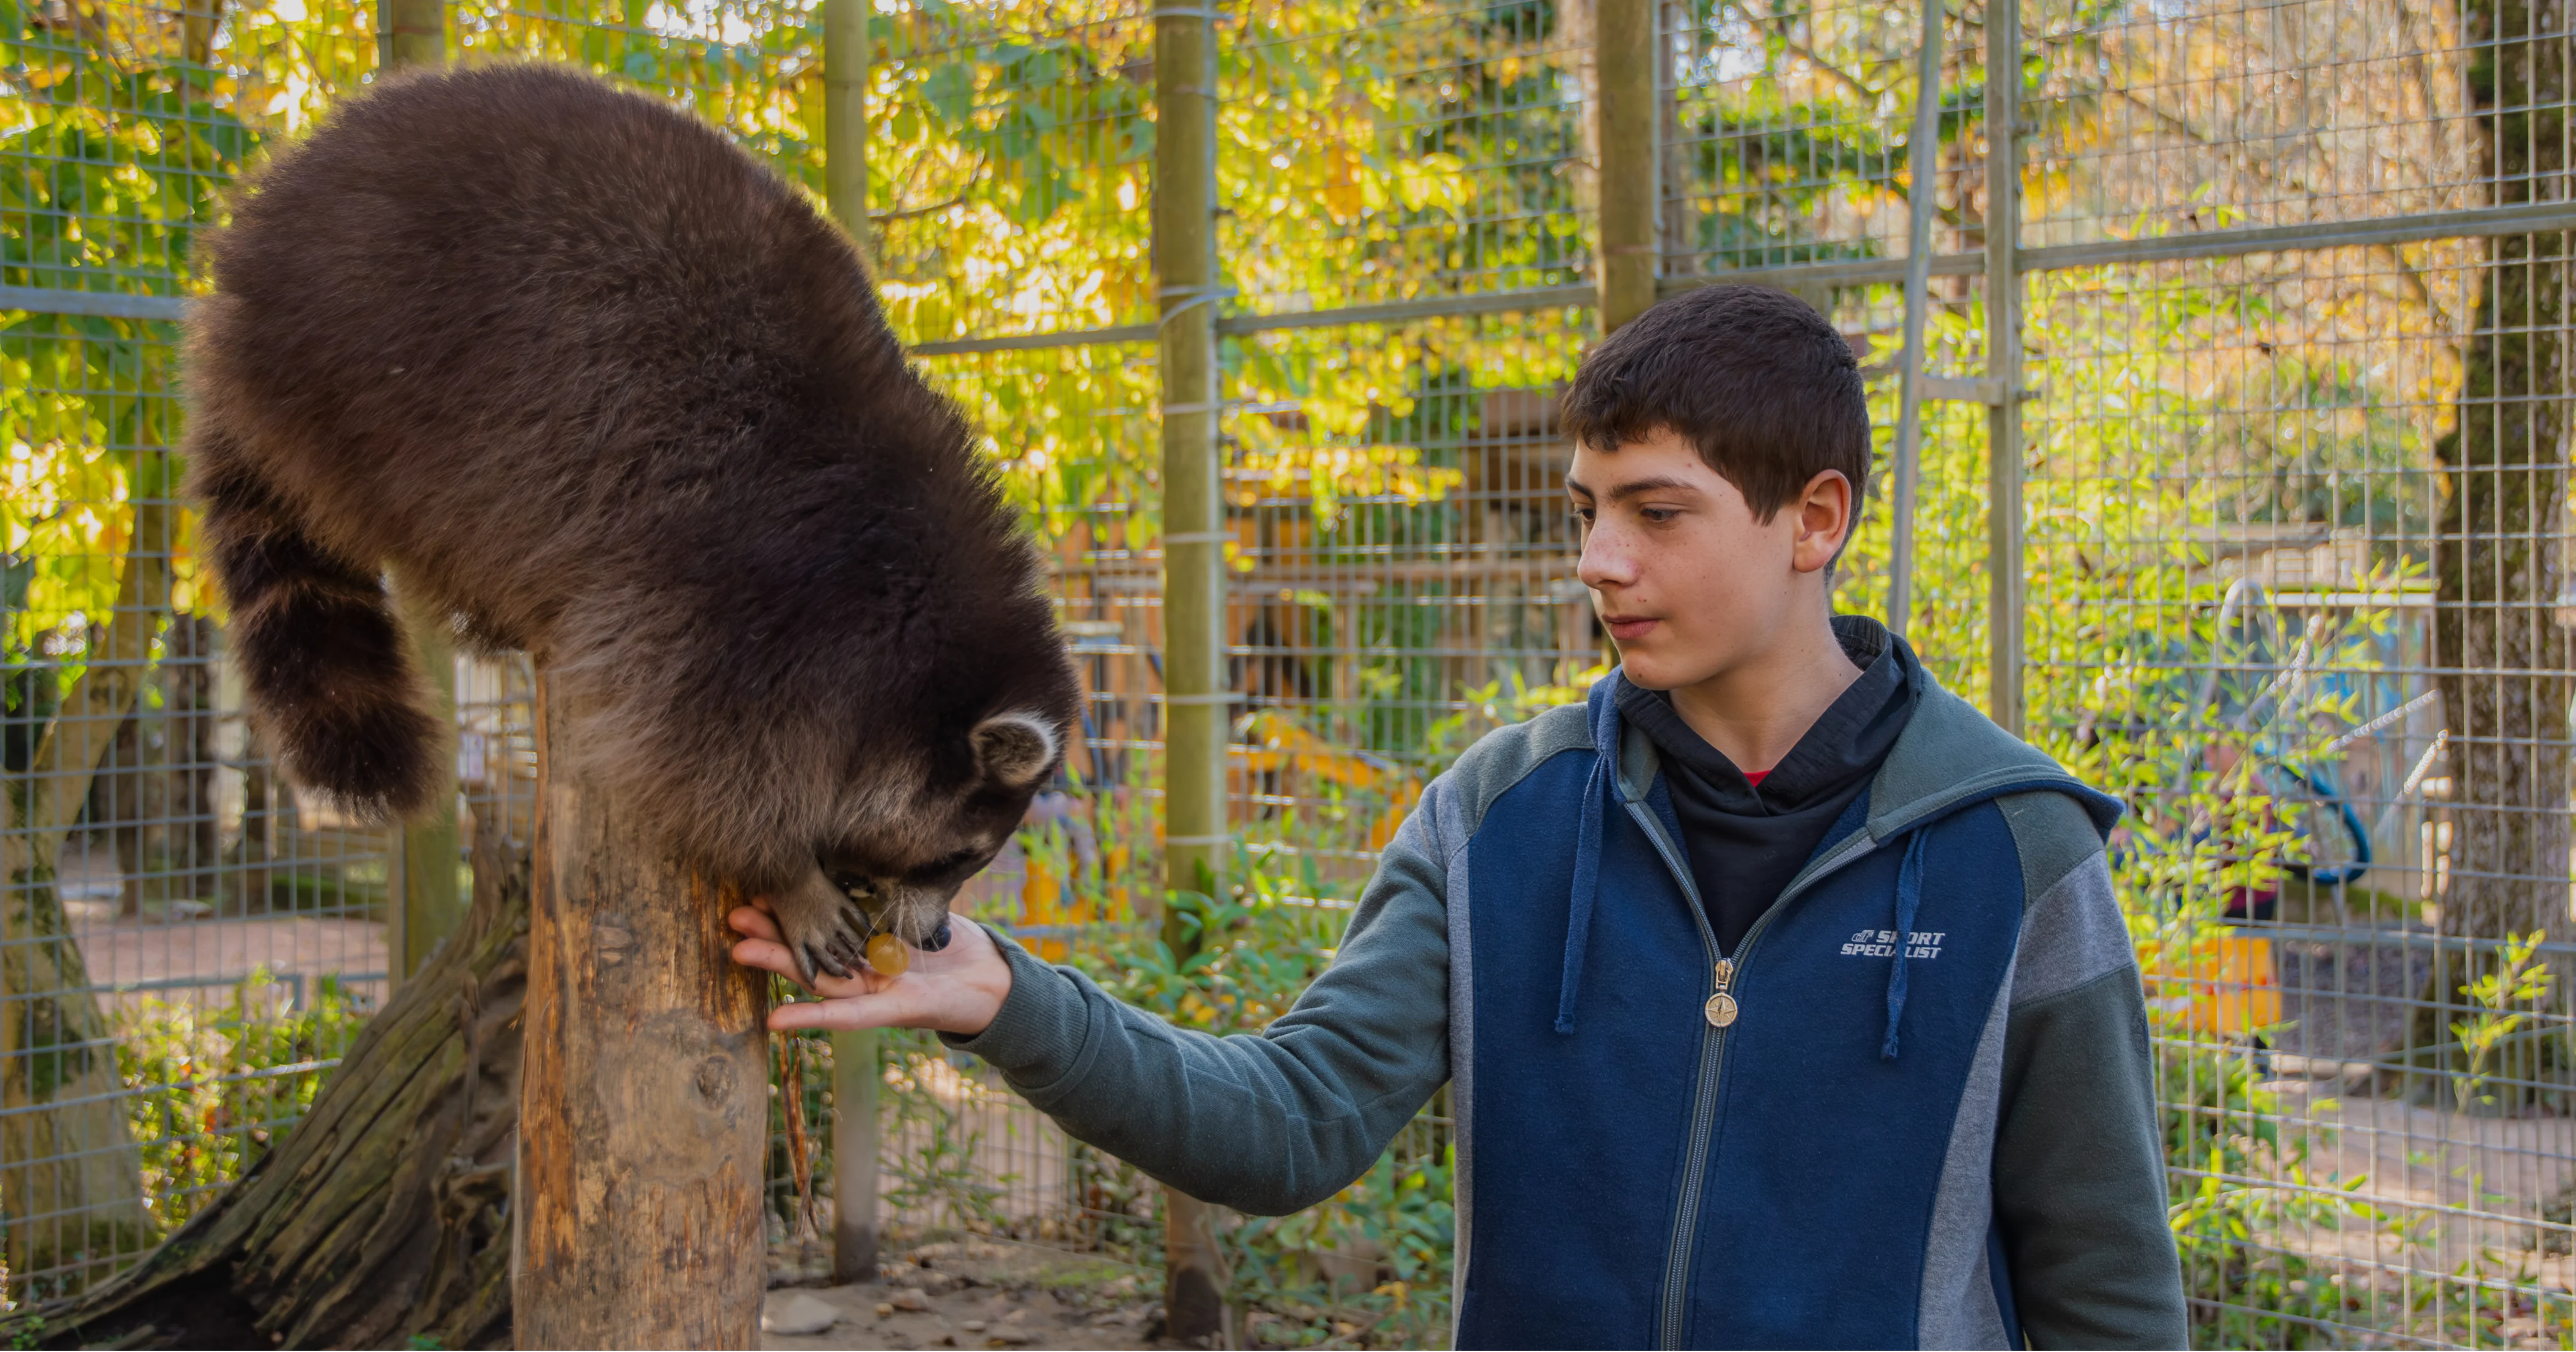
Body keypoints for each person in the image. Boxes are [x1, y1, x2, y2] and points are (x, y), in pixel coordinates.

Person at [728, 284, 2188, 1349]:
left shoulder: (2013, 850)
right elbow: (1289, 1121)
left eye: (1656, 512)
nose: (1599, 559)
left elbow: (2110, 1289)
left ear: (1815, 519)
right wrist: (1000, 995)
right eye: (1584, 509)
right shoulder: (1496, 820)